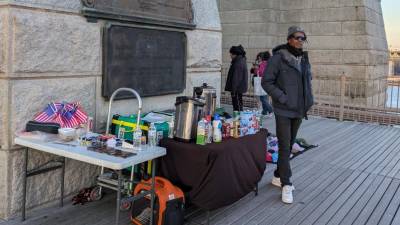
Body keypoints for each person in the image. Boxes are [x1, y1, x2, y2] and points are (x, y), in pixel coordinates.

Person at [261, 26, 314, 204]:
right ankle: (286, 184)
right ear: (289, 39)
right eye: (298, 37)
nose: (301, 40)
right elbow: (266, 82)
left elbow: (307, 81)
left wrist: (309, 99)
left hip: (299, 109)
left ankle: (277, 175)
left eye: (303, 38)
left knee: (290, 144)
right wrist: (282, 97)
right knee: (284, 147)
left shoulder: (304, 58)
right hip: (284, 109)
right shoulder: (278, 58)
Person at [225, 45, 248, 111]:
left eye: (231, 54)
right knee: (238, 104)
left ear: (235, 54)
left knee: (237, 105)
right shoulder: (239, 61)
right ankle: (238, 118)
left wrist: (234, 90)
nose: (230, 55)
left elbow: (236, 78)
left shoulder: (238, 63)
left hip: (237, 89)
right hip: (238, 88)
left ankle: (238, 119)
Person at [253, 51, 273, 116]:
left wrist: (256, 69)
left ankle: (271, 110)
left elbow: (261, 72)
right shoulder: (270, 63)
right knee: (265, 97)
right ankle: (264, 112)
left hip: (263, 82)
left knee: (262, 98)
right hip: (269, 82)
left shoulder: (263, 64)